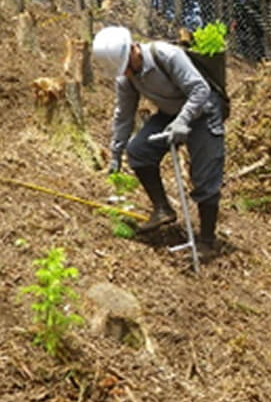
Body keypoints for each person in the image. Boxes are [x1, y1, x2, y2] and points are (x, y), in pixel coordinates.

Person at [92, 26, 225, 259]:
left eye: (126, 66)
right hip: (170, 113)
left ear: (133, 50)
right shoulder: (126, 78)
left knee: (205, 177)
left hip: (204, 111)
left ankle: (206, 242)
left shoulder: (167, 55)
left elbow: (199, 89)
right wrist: (116, 151)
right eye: (121, 70)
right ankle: (162, 209)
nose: (126, 74)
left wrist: (183, 121)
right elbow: (124, 114)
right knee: (138, 151)